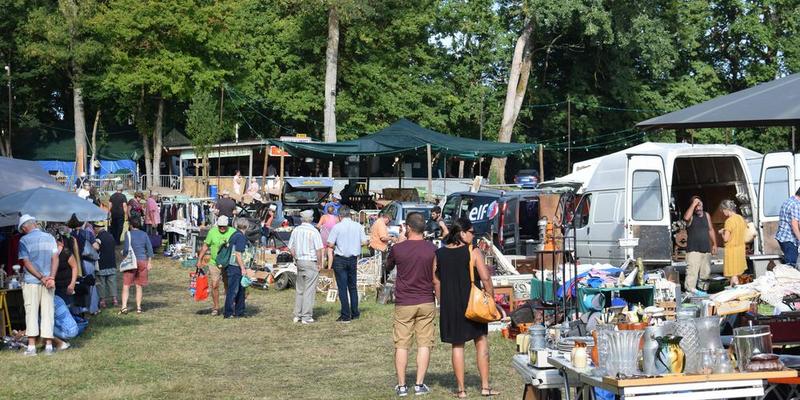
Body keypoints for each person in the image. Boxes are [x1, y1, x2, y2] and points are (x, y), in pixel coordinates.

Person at [433, 217, 498, 398]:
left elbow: (435, 281)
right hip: (473, 302)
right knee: (481, 341)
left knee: (457, 345)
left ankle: (461, 390)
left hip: (451, 304)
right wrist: (491, 298)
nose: (474, 236)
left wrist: (441, 302)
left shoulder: (440, 254)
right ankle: (485, 387)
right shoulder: (473, 251)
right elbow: (485, 277)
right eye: (471, 232)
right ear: (462, 233)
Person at [384, 212, 435, 397]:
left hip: (405, 301)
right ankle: (420, 384)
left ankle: (402, 385)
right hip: (426, 300)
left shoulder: (399, 249)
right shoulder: (432, 249)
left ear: (409, 228)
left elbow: (387, 266)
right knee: (424, 343)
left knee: (402, 344)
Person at [17, 214, 59, 356]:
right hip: (49, 282)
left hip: (31, 281)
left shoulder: (24, 240)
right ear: (35, 224)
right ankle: (48, 346)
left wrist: (41, 277)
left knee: (31, 312)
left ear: (24, 227)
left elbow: (26, 263)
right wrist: (51, 277)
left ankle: (32, 347)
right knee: (48, 312)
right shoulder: (50, 237)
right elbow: (55, 258)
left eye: (22, 229)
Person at [327, 206, 368, 323]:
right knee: (353, 286)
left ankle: (345, 315)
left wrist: (337, 246)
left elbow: (330, 243)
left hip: (340, 258)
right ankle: (355, 312)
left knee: (342, 287)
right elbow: (365, 241)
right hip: (353, 258)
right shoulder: (358, 226)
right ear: (350, 215)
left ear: (340, 216)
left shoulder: (337, 227)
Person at [287, 210, 324, 324]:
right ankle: (306, 316)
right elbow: (318, 249)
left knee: (300, 289)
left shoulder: (296, 230)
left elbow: (290, 247)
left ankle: (297, 314)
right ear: (312, 219)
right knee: (309, 290)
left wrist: (296, 257)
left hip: (300, 261)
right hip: (310, 261)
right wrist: (319, 263)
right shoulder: (314, 231)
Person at [196, 215, 235, 316]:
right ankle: (216, 307)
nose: (222, 228)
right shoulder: (212, 232)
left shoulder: (233, 232)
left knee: (228, 285)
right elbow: (205, 246)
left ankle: (229, 306)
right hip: (214, 263)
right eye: (220, 226)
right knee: (214, 285)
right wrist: (199, 260)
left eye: (224, 226)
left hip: (227, 263)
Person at [682, 196, 717, 294]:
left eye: (699, 204)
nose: (698, 207)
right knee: (692, 273)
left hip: (706, 249)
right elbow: (686, 218)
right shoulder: (691, 217)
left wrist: (714, 244)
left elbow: (710, 230)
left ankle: (703, 292)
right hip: (693, 250)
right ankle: (689, 292)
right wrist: (693, 204)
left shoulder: (707, 215)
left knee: (705, 273)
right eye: (695, 206)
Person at [120, 218, 153, 314]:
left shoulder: (128, 234)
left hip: (131, 262)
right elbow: (149, 249)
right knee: (139, 286)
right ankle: (138, 307)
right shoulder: (144, 234)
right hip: (143, 261)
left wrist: (123, 253)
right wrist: (149, 262)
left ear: (131, 225)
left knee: (126, 285)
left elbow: (126, 249)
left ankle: (124, 307)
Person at [224, 218, 251, 318]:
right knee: (233, 290)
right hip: (235, 267)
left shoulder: (234, 234)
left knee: (240, 289)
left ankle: (240, 311)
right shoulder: (240, 237)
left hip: (233, 266)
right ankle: (229, 313)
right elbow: (238, 254)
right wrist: (243, 268)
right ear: (247, 226)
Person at [719, 200, 747, 286]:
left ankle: (734, 292)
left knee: (733, 275)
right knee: (736, 274)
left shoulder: (729, 221)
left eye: (723, 210)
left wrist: (721, 233)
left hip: (732, 250)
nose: (723, 212)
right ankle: (735, 290)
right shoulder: (740, 218)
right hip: (740, 248)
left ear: (727, 209)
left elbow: (726, 239)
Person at [93, 221, 118, 309]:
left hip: (102, 264)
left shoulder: (98, 238)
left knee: (101, 283)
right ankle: (114, 299)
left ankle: (102, 301)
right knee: (112, 282)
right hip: (112, 263)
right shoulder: (110, 236)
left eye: (94, 228)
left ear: (97, 228)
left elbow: (96, 247)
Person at [53, 229, 79, 307]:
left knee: (67, 308)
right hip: (56, 286)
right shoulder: (51, 253)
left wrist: (72, 284)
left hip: (66, 286)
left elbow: (75, 267)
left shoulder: (66, 252)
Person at [775, 188, 800, 266]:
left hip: (783, 237)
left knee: (790, 262)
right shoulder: (796, 205)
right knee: (791, 264)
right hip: (789, 238)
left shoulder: (788, 201)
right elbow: (794, 224)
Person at [317, 204, 338, 269]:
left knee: (322, 253)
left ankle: (322, 267)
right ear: (334, 211)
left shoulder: (324, 217)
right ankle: (329, 268)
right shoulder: (336, 218)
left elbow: (318, 226)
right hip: (332, 237)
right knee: (330, 252)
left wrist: (321, 227)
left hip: (324, 236)